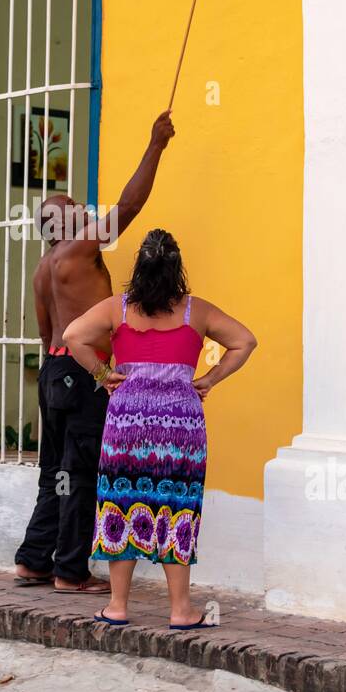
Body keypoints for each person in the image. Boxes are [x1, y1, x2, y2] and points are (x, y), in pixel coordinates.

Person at [14, 112, 176, 593]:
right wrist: (156, 146)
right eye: (74, 206)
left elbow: (47, 336)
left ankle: (34, 559)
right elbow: (129, 204)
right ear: (60, 222)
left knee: (55, 472)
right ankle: (70, 571)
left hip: (54, 373)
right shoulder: (79, 249)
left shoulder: (45, 268)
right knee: (82, 470)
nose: (85, 209)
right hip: (82, 376)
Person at [62, 229, 257, 627]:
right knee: (178, 507)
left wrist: (102, 373)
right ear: (176, 270)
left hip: (126, 424)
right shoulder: (196, 311)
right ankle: (181, 610)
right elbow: (245, 341)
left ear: (139, 267)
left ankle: (117, 606)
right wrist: (210, 378)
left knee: (120, 503)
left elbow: (72, 336)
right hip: (180, 427)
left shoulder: (117, 309)